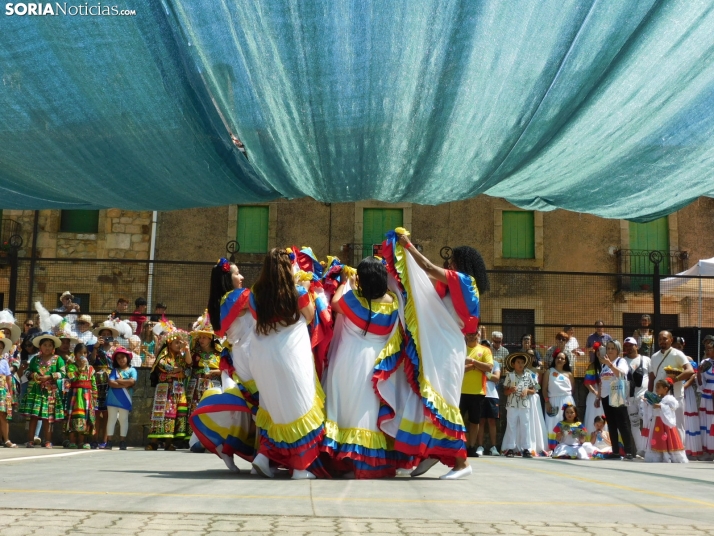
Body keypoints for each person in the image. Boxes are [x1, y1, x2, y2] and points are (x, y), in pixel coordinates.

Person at [388, 232, 488, 479]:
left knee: (445, 402)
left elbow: (428, 268)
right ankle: (432, 452)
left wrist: (408, 246)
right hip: (443, 345)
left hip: (448, 346)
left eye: (453, 260)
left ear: (462, 263)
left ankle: (462, 464)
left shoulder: (464, 280)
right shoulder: (458, 285)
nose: (449, 264)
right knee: (432, 398)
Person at [322, 258, 403, 478]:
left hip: (347, 358)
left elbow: (335, 303)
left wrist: (344, 282)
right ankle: (364, 462)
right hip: (376, 363)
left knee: (344, 408)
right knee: (367, 411)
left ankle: (343, 458)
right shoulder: (395, 304)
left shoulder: (352, 299)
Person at [189, 258, 256, 472]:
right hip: (248, 358)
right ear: (228, 278)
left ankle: (230, 449)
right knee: (257, 407)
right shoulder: (237, 298)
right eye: (237, 274)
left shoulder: (220, 302)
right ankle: (260, 456)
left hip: (237, 357)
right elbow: (264, 299)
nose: (242, 277)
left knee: (245, 410)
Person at [146, 323, 191, 451]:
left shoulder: (181, 357)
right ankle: (154, 442)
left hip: (178, 390)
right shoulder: (164, 356)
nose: (179, 345)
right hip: (165, 390)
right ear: (169, 343)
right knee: (162, 414)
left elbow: (188, 369)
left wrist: (186, 351)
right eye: (176, 342)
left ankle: (168, 442)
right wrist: (178, 370)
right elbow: (164, 367)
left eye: (180, 343)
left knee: (175, 414)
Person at [19, 332, 65, 448]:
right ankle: (30, 440)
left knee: (47, 417)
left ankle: (48, 440)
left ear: (53, 348)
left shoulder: (58, 359)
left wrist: (50, 377)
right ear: (40, 347)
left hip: (50, 392)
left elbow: (63, 373)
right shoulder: (35, 359)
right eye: (45, 345)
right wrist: (35, 375)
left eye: (50, 345)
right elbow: (27, 372)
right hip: (35, 391)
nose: (47, 347)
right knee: (34, 417)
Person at [649, 331, 694, 446]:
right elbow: (652, 378)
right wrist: (650, 395)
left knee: (677, 424)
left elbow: (690, 371)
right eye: (660, 339)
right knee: (660, 424)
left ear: (671, 340)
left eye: (665, 339)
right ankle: (663, 451)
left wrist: (673, 380)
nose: (662, 341)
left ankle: (679, 452)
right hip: (659, 397)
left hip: (676, 395)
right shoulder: (654, 357)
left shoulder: (677, 354)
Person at [597, 339, 635, 459]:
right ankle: (615, 451)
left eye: (613, 348)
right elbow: (602, 381)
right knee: (612, 424)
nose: (610, 350)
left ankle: (629, 451)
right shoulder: (604, 364)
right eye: (608, 348)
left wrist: (610, 364)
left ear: (618, 350)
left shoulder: (621, 361)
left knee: (623, 423)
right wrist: (598, 396)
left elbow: (622, 374)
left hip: (617, 394)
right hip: (605, 396)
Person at [459, 332, 494, 458]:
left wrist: (472, 361)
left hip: (478, 392)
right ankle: (458, 446)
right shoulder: (459, 348)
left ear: (478, 335)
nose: (472, 336)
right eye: (470, 334)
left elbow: (489, 367)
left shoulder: (485, 350)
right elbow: (456, 368)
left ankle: (471, 447)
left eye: (474, 334)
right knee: (458, 420)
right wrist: (475, 366)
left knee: (474, 421)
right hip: (459, 391)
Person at [187, 312, 222, 425]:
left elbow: (225, 370)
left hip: (213, 386)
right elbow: (189, 364)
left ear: (210, 338)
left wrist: (213, 372)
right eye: (200, 337)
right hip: (196, 387)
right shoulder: (194, 352)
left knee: (211, 410)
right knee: (195, 408)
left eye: (204, 337)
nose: (201, 340)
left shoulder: (219, 353)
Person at [501, 353, 538, 458]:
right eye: (518, 362)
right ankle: (510, 448)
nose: (520, 364)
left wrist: (527, 390)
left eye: (522, 362)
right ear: (513, 364)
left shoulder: (528, 375)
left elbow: (535, 389)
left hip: (524, 404)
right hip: (512, 404)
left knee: (525, 426)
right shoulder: (509, 375)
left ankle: (526, 449)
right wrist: (510, 390)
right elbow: (505, 392)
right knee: (511, 425)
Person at [643, 378, 688, 463]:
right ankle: (660, 455)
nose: (656, 389)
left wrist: (661, 406)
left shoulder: (669, 398)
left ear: (665, 388)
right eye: (656, 387)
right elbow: (652, 407)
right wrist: (647, 402)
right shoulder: (657, 398)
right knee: (658, 437)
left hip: (665, 422)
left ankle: (669, 455)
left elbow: (674, 407)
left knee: (667, 437)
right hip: (657, 421)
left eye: (658, 387)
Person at [90, 321, 118, 449]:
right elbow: (91, 361)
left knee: (107, 413)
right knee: (95, 412)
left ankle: (105, 439)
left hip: (110, 382)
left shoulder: (115, 350)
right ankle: (94, 439)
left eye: (108, 335)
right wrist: (95, 347)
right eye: (103, 335)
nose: (106, 337)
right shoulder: (94, 347)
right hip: (97, 381)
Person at [64, 343, 96, 449]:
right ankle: (72, 440)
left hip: (86, 397)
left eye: (85, 353)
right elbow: (71, 379)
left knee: (85, 417)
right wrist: (80, 369)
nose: (83, 355)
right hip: (75, 396)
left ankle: (81, 441)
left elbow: (93, 383)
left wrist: (94, 397)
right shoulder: (71, 367)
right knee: (73, 416)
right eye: (80, 353)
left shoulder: (90, 369)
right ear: (75, 355)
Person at [623, 336, 650, 457]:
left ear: (636, 346)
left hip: (643, 397)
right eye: (626, 346)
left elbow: (652, 376)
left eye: (631, 345)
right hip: (629, 398)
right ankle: (640, 449)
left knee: (646, 421)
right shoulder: (622, 361)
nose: (629, 348)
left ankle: (649, 447)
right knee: (634, 423)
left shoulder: (646, 360)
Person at [106, 347, 137, 451]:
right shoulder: (114, 371)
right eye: (118, 358)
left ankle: (122, 441)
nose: (121, 359)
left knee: (123, 419)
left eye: (123, 357)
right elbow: (111, 383)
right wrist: (124, 384)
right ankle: (109, 441)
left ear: (127, 358)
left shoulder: (132, 370)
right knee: (111, 419)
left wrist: (119, 381)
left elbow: (132, 382)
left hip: (125, 399)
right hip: (112, 398)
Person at [542, 351, 575, 436]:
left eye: (562, 358)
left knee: (567, 423)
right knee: (552, 423)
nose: (559, 360)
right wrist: (547, 402)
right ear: (554, 359)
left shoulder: (569, 374)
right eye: (558, 358)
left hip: (567, 401)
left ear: (565, 361)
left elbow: (573, 389)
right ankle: (552, 446)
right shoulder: (549, 372)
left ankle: (567, 443)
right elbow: (544, 389)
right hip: (552, 401)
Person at [477, 354, 501, 456]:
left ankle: (493, 447)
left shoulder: (494, 363)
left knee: (492, 421)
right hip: (479, 393)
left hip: (492, 396)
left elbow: (496, 378)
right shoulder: (476, 363)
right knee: (480, 421)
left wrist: (485, 374)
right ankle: (480, 446)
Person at [697, 337, 714, 459]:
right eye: (706, 349)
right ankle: (708, 451)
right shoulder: (704, 362)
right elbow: (700, 382)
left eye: (710, 349)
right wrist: (699, 372)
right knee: (707, 422)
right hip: (707, 395)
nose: (707, 351)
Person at [0, 336, 15, 448]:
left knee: (3, 415)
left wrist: (9, 392)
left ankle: (6, 439)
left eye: (0, 348)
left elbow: (8, 378)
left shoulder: (4, 362)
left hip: (2, 391)